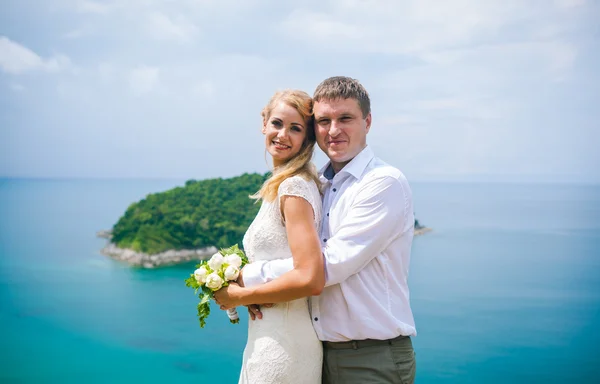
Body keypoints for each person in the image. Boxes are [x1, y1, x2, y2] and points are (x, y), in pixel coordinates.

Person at [215, 76, 417, 384]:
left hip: (371, 357)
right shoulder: (319, 185)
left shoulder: (382, 183)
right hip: (319, 352)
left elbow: (328, 265)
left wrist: (246, 282)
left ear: (368, 121)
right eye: (324, 121)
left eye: (345, 118)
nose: (333, 130)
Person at [216, 89, 325, 383]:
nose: (282, 135)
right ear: (264, 123)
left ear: (307, 138)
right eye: (277, 123)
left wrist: (240, 295)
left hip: (283, 346)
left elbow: (310, 277)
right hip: (268, 336)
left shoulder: (293, 189)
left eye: (296, 128)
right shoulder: (281, 185)